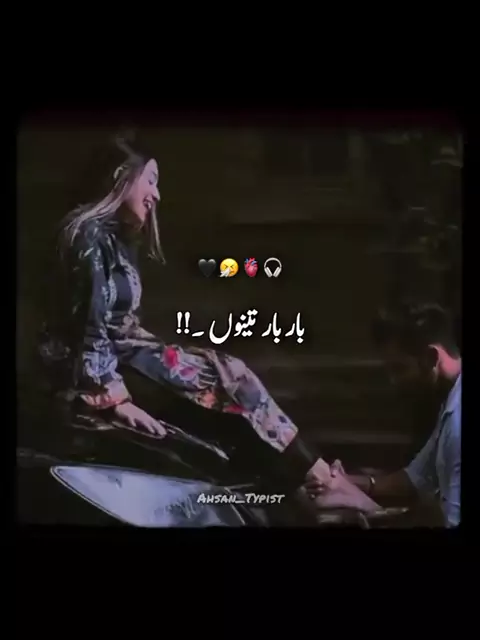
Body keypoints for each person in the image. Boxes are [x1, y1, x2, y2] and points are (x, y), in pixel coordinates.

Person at [39, 133, 360, 506]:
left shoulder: (112, 238)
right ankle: (322, 483)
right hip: (100, 369)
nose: (157, 195)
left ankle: (316, 483)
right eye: (151, 180)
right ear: (120, 176)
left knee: (229, 376)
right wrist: (114, 400)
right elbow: (88, 324)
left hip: (126, 355)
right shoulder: (87, 235)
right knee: (230, 379)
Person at [305, 303, 462, 528]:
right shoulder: (449, 401)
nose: (394, 381)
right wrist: (340, 481)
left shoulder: (458, 424)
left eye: (399, 369)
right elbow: (416, 478)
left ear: (430, 357)